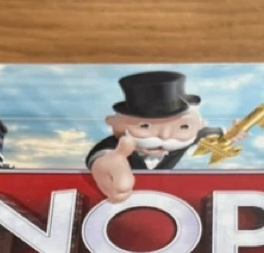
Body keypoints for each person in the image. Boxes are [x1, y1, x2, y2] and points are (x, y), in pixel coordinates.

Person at [84, 71, 224, 204]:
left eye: (183, 126)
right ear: (112, 122)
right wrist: (101, 165)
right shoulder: (116, 145)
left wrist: (229, 135)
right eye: (145, 126)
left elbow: (214, 133)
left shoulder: (192, 136)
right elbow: (103, 155)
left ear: (199, 124)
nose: (164, 136)